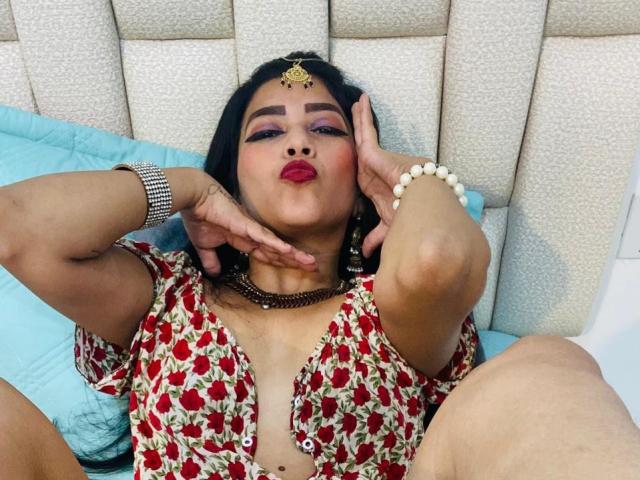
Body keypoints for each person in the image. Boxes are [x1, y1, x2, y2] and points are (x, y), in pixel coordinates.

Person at [0, 51, 638, 480]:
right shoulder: (162, 297)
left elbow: (439, 258)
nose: (298, 142)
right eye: (265, 133)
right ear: (232, 175)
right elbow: (19, 230)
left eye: (328, 130)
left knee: (547, 360)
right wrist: (188, 187)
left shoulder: (391, 308)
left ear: (361, 177)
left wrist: (408, 177)